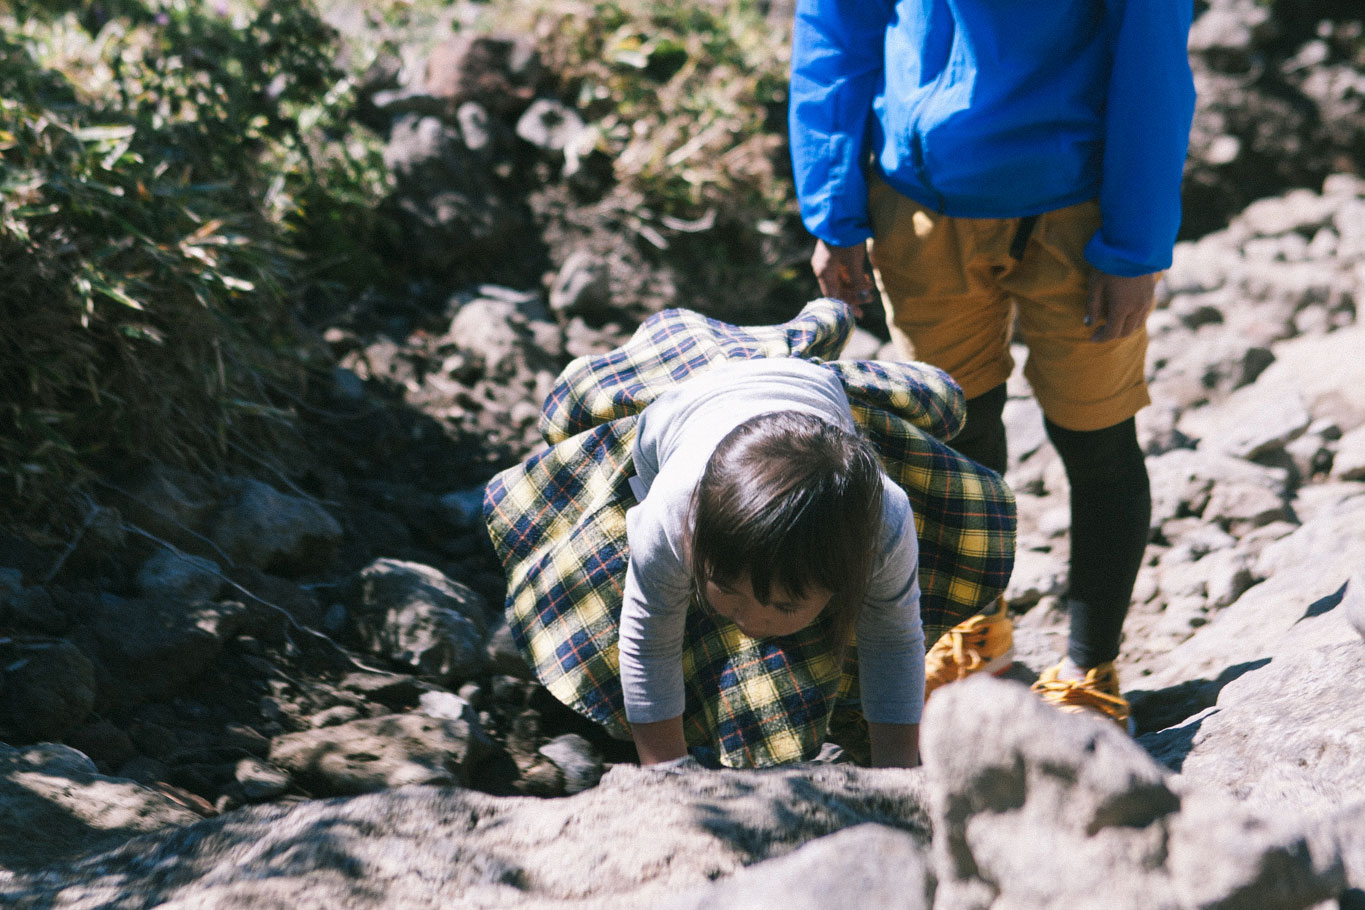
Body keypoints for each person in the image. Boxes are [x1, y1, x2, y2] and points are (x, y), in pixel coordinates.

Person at [788, 0, 1197, 728]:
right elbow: (835, 27)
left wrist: (1135, 244)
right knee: (954, 437)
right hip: (917, 205)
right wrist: (832, 208)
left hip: (1077, 212)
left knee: (1095, 440)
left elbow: (1152, 63)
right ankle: (977, 637)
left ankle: (1089, 671)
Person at [619, 358, 923, 767]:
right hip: (679, 412)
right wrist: (667, 774)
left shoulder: (884, 523)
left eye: (786, 606)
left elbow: (894, 641)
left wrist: (898, 776)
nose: (754, 624)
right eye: (728, 589)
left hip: (810, 387)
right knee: (638, 603)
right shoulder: (672, 514)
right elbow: (647, 643)